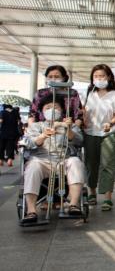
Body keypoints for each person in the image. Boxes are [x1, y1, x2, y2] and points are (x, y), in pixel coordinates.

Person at [21, 95, 85, 223]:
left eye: (55, 107)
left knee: (76, 162)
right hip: (41, 160)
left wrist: (68, 130)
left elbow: (80, 141)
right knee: (32, 166)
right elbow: (27, 142)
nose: (52, 110)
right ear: (42, 111)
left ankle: (73, 205)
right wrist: (43, 136)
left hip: (64, 160)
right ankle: (31, 211)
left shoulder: (69, 125)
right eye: (48, 107)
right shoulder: (36, 126)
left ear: (61, 110)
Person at [83, 64, 115, 211]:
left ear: (108, 76)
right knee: (91, 164)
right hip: (90, 132)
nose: (99, 78)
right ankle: (92, 193)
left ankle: (107, 198)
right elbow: (82, 112)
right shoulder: (88, 93)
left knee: (107, 164)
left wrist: (111, 122)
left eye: (102, 76)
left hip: (109, 132)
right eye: (96, 76)